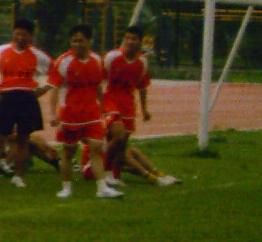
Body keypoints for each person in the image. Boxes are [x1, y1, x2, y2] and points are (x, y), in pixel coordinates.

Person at [48, 25, 119, 199]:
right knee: (68, 151)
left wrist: (103, 108)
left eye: (81, 41)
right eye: (74, 41)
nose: (77, 44)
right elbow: (54, 88)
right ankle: (66, 187)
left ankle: (101, 187)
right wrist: (53, 113)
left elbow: (98, 87)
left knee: (96, 148)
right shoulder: (63, 62)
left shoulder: (96, 60)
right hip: (70, 114)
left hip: (92, 113)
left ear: (89, 41)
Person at [101, 26, 177, 188]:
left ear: (140, 42)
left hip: (128, 105)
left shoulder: (142, 62)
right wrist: (99, 103)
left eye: (134, 39)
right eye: (127, 38)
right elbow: (99, 79)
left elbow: (142, 87)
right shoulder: (112, 57)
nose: (130, 41)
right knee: (118, 136)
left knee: (122, 144)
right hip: (110, 101)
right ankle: (105, 171)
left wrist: (144, 109)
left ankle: (115, 175)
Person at [0, 20, 49, 188]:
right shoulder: (1, 51)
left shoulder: (38, 55)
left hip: (27, 99)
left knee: (23, 139)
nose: (19, 37)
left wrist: (41, 90)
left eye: (23, 34)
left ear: (30, 36)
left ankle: (17, 176)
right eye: (17, 33)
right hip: (7, 98)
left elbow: (55, 75)